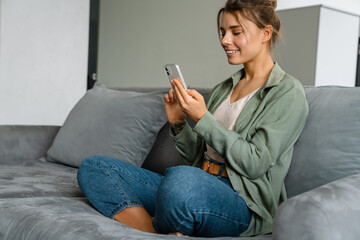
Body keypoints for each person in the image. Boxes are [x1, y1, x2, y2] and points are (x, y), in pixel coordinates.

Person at [77, 0, 308, 237]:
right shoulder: (223, 89)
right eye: (222, 31)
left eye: (235, 32)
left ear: (265, 34)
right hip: (194, 186)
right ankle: (152, 232)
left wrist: (203, 118)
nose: (225, 40)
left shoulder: (286, 92)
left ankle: (167, 219)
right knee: (95, 168)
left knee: (180, 180)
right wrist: (178, 123)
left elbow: (255, 163)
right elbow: (199, 156)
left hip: (243, 203)